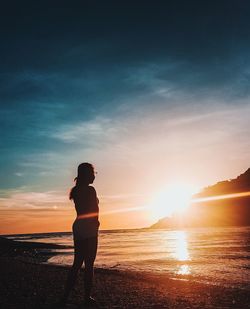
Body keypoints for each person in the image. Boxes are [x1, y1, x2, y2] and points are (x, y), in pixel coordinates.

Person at [61, 163, 100, 306]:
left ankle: (65, 296)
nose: (94, 175)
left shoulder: (76, 191)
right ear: (87, 174)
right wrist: (96, 223)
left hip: (78, 226)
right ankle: (86, 297)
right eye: (93, 173)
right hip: (89, 227)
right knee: (89, 264)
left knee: (77, 263)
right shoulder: (90, 190)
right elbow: (94, 210)